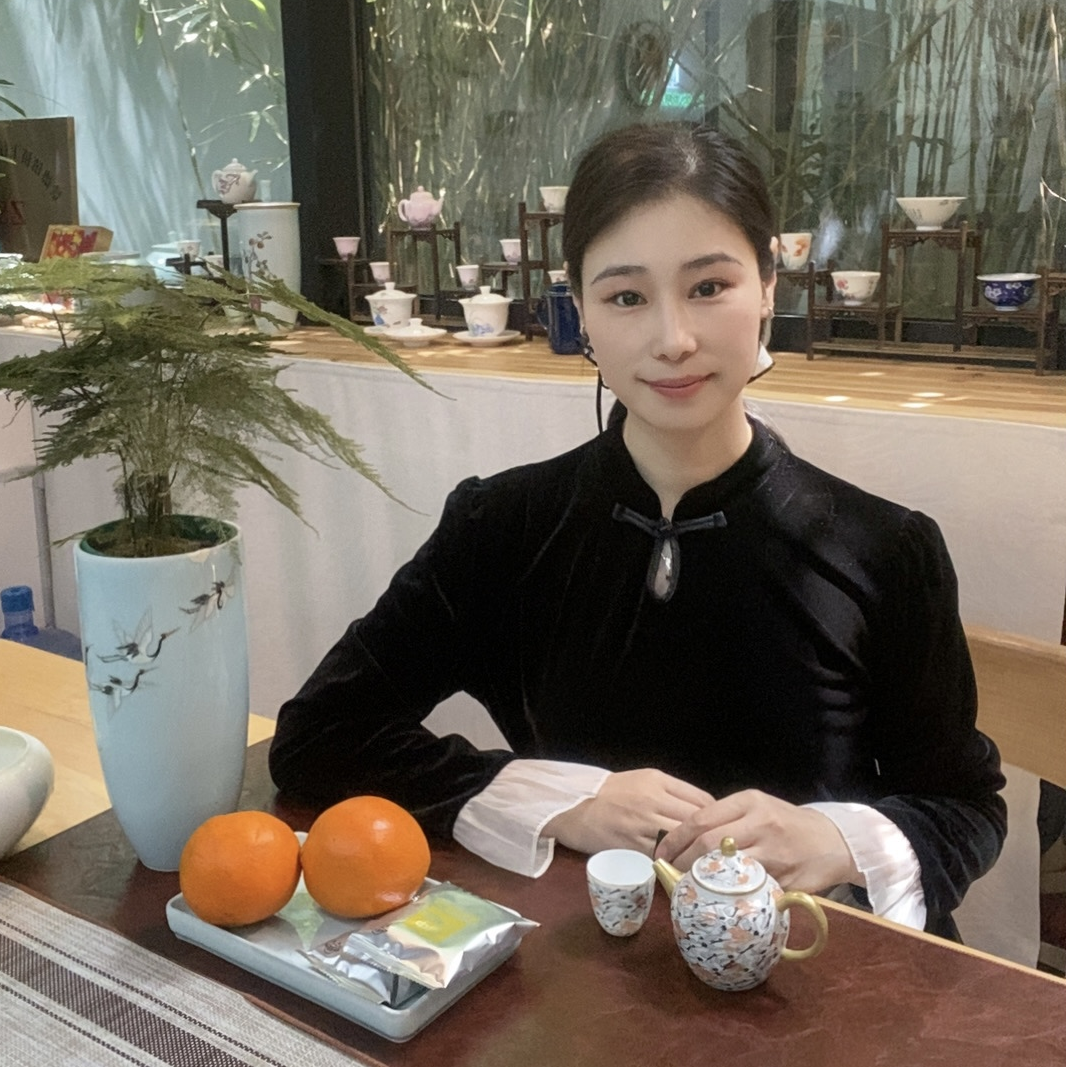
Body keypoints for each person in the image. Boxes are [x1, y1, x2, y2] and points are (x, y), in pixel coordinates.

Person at [270, 122, 1005, 938]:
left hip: (809, 974)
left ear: (768, 283)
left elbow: (963, 805)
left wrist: (833, 838)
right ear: (581, 309)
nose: (673, 340)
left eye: (708, 286)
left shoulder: (886, 549)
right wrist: (564, 799)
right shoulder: (501, 527)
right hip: (583, 969)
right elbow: (319, 735)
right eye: (626, 296)